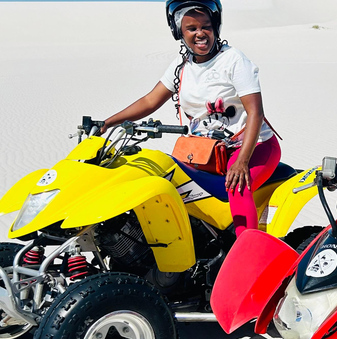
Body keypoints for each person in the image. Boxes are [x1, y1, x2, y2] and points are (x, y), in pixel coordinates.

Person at [103, 0, 280, 236]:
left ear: (215, 26)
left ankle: (246, 254)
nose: (200, 34)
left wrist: (242, 162)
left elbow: (255, 112)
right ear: (179, 32)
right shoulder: (181, 64)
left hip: (253, 147)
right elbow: (150, 101)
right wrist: (107, 123)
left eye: (205, 26)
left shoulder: (233, 60)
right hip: (206, 153)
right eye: (191, 28)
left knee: (237, 187)